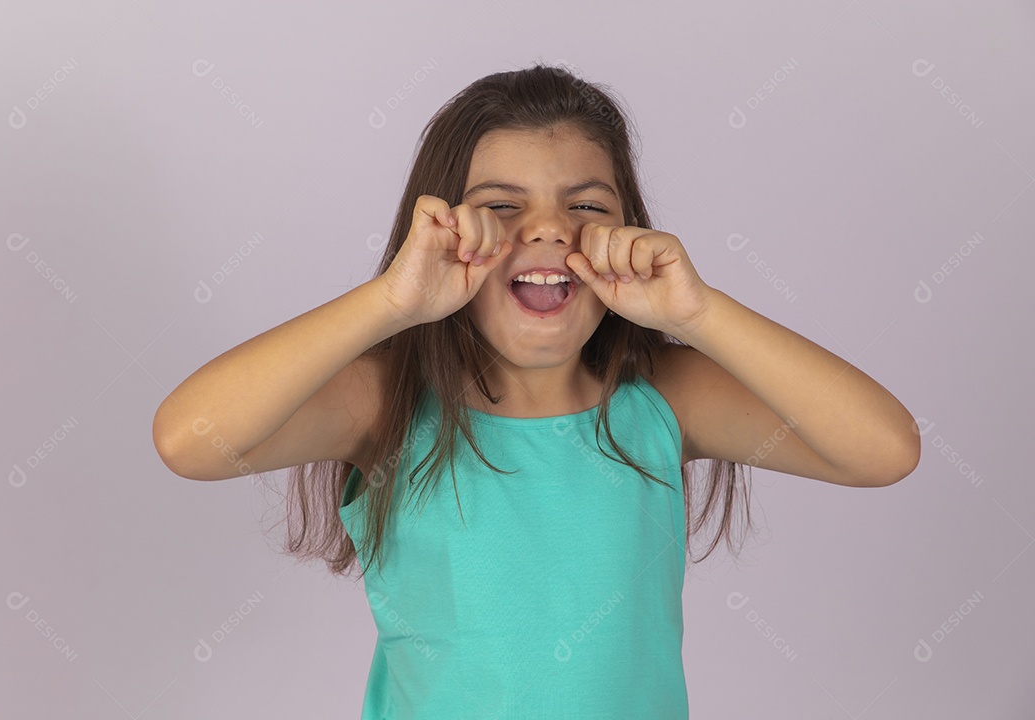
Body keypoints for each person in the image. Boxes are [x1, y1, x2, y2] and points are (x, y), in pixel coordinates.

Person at [152, 63, 921, 719]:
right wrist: (389, 302)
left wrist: (700, 311)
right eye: (501, 206)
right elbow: (189, 439)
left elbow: (884, 450)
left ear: (629, 230)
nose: (548, 230)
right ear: (445, 231)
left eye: (586, 206)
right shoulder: (385, 403)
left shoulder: (661, 398)